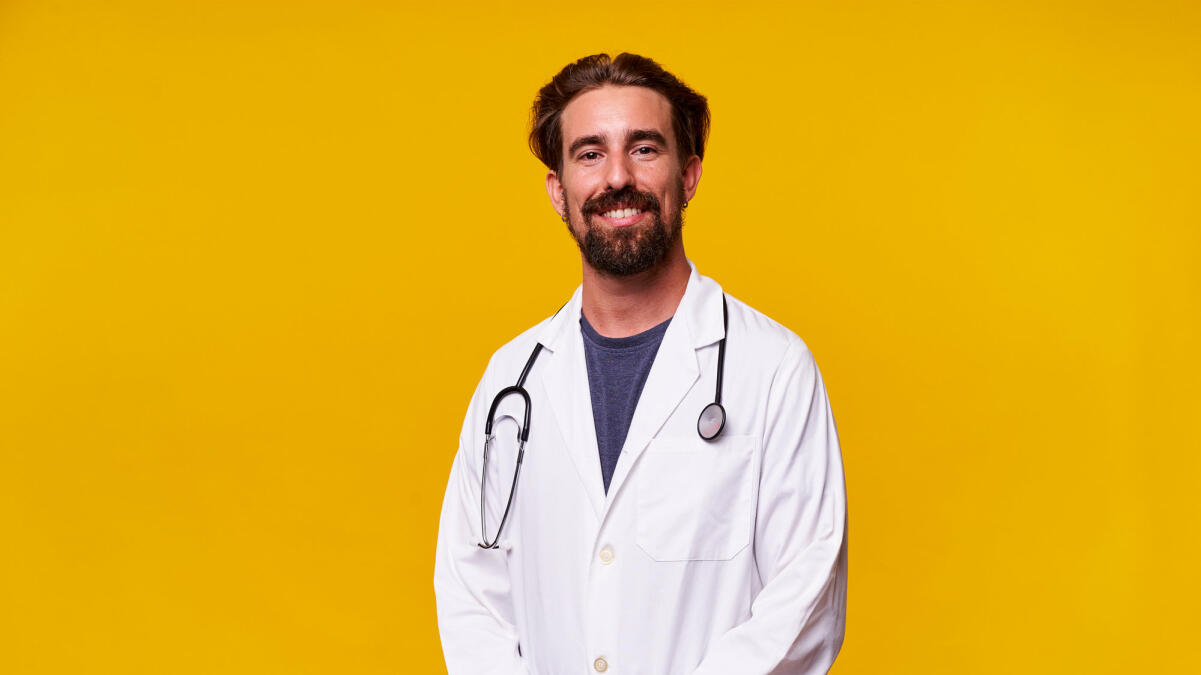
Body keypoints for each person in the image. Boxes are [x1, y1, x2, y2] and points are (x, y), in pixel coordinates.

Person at [433, 52, 848, 674]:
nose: (617, 177)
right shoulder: (511, 382)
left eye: (645, 148)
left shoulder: (773, 370)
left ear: (689, 176)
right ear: (558, 189)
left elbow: (804, 603)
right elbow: (472, 600)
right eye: (590, 153)